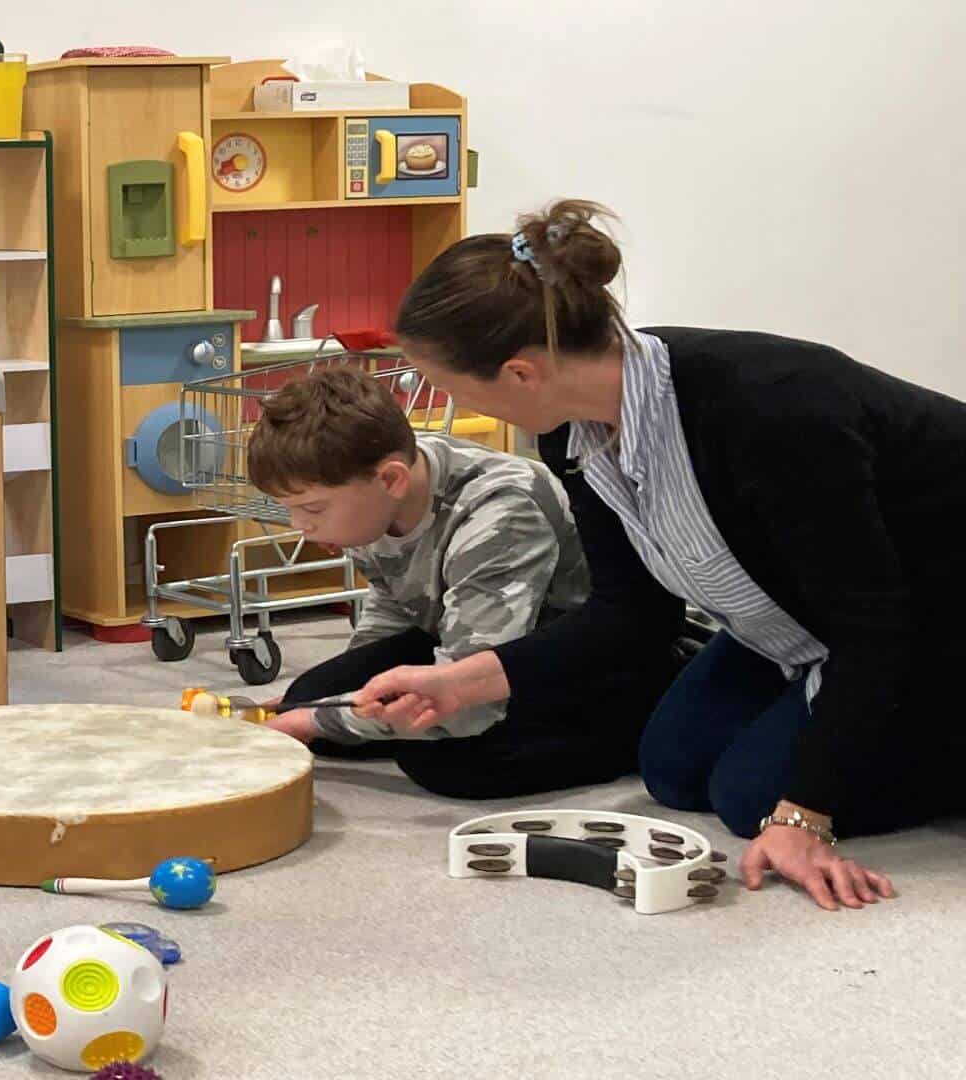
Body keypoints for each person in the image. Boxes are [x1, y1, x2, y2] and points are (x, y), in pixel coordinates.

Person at [350, 198, 966, 911]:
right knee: (674, 769)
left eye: (454, 387)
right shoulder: (573, 429)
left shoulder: (769, 407)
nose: (446, 405)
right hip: (801, 622)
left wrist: (806, 816)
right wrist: (464, 681)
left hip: (928, 623)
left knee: (750, 798)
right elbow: (632, 613)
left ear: (520, 373)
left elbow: (874, 627)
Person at [248, 367, 674, 797]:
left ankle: (628, 736)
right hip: (475, 635)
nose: (300, 526)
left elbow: (473, 695)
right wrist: (346, 701)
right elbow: (395, 603)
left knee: (440, 757)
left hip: (568, 659)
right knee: (314, 698)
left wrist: (324, 720)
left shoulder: (500, 512)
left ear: (391, 480)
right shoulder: (373, 489)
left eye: (314, 510)